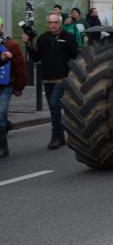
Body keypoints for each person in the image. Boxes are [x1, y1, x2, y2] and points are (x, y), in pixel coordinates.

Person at [23, 12, 78, 149]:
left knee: (54, 105)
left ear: (60, 23)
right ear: (48, 24)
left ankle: (56, 136)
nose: (53, 25)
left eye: (55, 22)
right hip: (47, 80)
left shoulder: (68, 37)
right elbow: (36, 58)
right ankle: (60, 137)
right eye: (50, 23)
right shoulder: (43, 38)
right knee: (54, 109)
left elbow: (76, 56)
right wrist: (28, 44)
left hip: (62, 79)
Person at [0, 17, 28, 159]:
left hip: (6, 85)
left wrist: (19, 87)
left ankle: (2, 147)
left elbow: (20, 68)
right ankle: (5, 127)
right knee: (2, 118)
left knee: (0, 114)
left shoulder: (12, 45)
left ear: (2, 27)